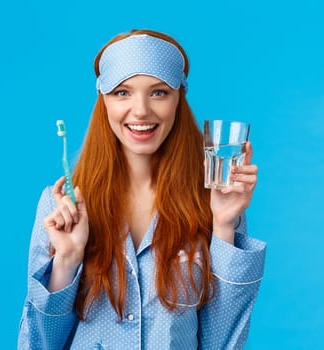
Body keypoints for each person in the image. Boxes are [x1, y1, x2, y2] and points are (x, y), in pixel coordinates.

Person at [17, 29, 266, 349]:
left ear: (179, 99)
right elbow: (37, 344)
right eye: (122, 93)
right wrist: (66, 261)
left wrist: (224, 226)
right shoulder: (61, 207)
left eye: (159, 92)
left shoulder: (213, 202)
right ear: (103, 100)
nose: (141, 111)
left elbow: (223, 342)